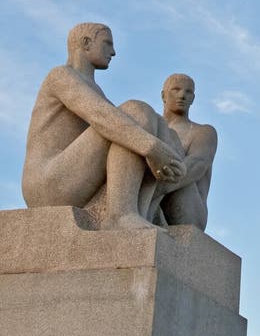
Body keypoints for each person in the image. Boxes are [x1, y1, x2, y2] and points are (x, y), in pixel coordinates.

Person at [22, 23, 186, 230]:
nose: (114, 52)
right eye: (107, 44)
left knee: (157, 123)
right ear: (86, 43)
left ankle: (141, 213)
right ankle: (119, 214)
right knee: (136, 111)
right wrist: (153, 148)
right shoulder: (60, 75)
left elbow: (125, 124)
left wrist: (166, 150)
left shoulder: (94, 89)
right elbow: (101, 116)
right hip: (48, 184)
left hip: (73, 178)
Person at [151, 73, 217, 231]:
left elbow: (197, 165)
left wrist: (149, 194)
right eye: (176, 89)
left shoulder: (203, 132)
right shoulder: (153, 126)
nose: (182, 95)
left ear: (193, 99)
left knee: (168, 139)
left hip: (189, 211)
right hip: (152, 201)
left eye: (188, 92)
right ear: (163, 95)